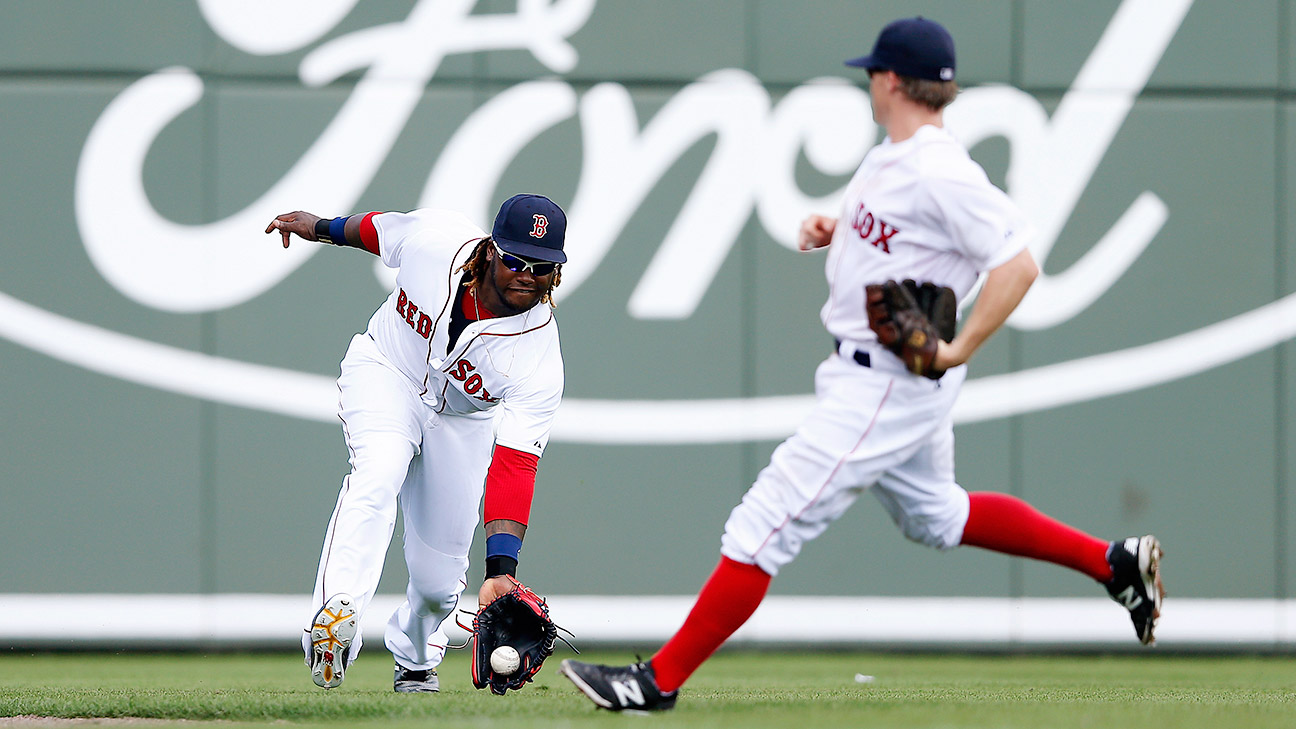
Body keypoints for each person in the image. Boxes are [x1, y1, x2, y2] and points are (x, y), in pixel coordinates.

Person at [560, 17, 1163, 712]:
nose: (869, 84)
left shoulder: (939, 169)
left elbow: (1019, 262)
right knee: (936, 515)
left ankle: (654, 681)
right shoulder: (895, 157)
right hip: (873, 373)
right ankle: (1113, 563)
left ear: (888, 80)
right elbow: (905, 238)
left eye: (872, 74)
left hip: (886, 382)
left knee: (761, 525)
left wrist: (959, 346)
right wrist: (837, 229)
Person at [265, 194, 568, 693]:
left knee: (437, 584)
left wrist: (501, 570)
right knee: (378, 472)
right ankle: (335, 619)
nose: (526, 275)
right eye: (516, 259)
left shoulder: (539, 355)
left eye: (541, 267)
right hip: (387, 370)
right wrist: (320, 227)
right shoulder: (437, 242)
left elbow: (516, 464)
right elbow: (377, 230)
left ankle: (416, 655)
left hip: (462, 424)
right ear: (492, 250)